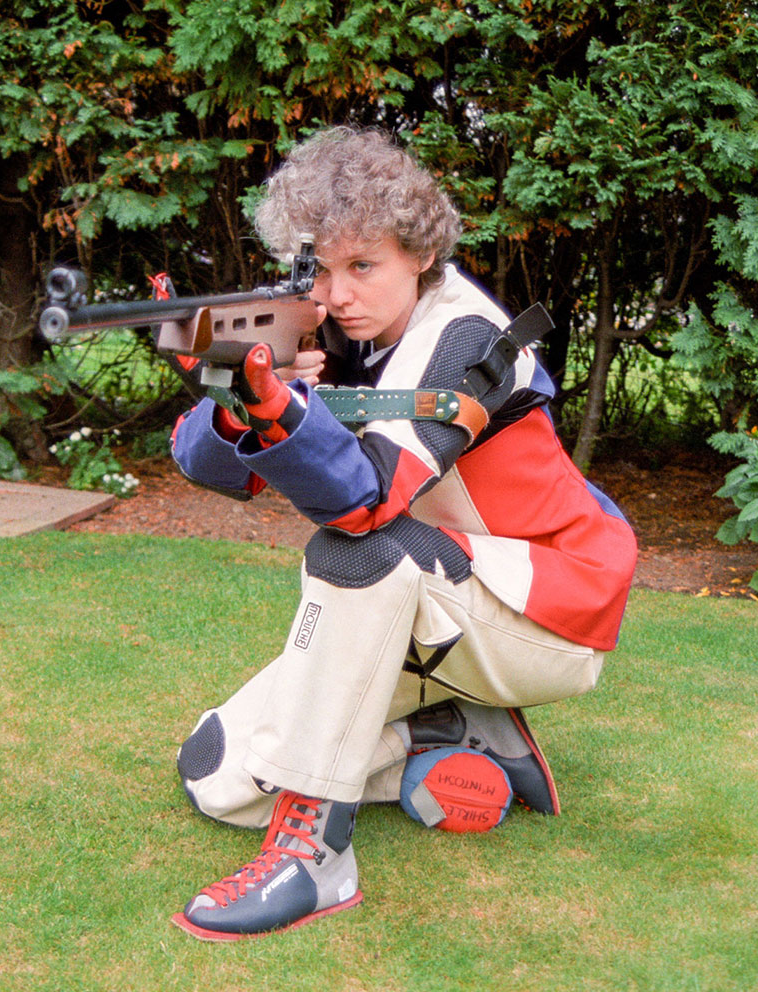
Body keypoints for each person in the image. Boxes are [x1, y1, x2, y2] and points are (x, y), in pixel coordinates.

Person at [168, 126, 637, 941]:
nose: (339, 293)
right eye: (322, 270)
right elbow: (207, 467)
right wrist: (240, 400)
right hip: (437, 604)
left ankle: (316, 860)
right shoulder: (340, 336)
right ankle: (451, 732)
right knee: (214, 774)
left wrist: (280, 407)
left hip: (550, 608)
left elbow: (367, 501)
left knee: (358, 552)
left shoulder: (466, 334)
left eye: (363, 265)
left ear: (420, 253)